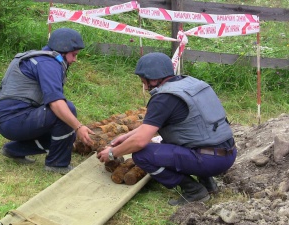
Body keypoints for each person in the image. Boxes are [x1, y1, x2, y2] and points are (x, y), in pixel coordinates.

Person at [97, 52, 237, 205]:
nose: (144, 85)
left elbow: (140, 142)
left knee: (143, 155)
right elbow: (160, 125)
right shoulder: (192, 83)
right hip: (228, 154)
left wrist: (112, 153)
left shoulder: (164, 98)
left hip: (208, 160)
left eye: (144, 80)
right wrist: (126, 136)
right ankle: (209, 183)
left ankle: (193, 190)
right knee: (182, 139)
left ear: (154, 77)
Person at [0, 27, 94, 175]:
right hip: (14, 120)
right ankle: (57, 164)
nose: (75, 59)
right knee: (68, 111)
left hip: (10, 120)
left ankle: (14, 150)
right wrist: (79, 127)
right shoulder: (48, 63)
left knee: (68, 135)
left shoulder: (41, 58)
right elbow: (56, 104)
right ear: (63, 50)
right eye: (73, 55)